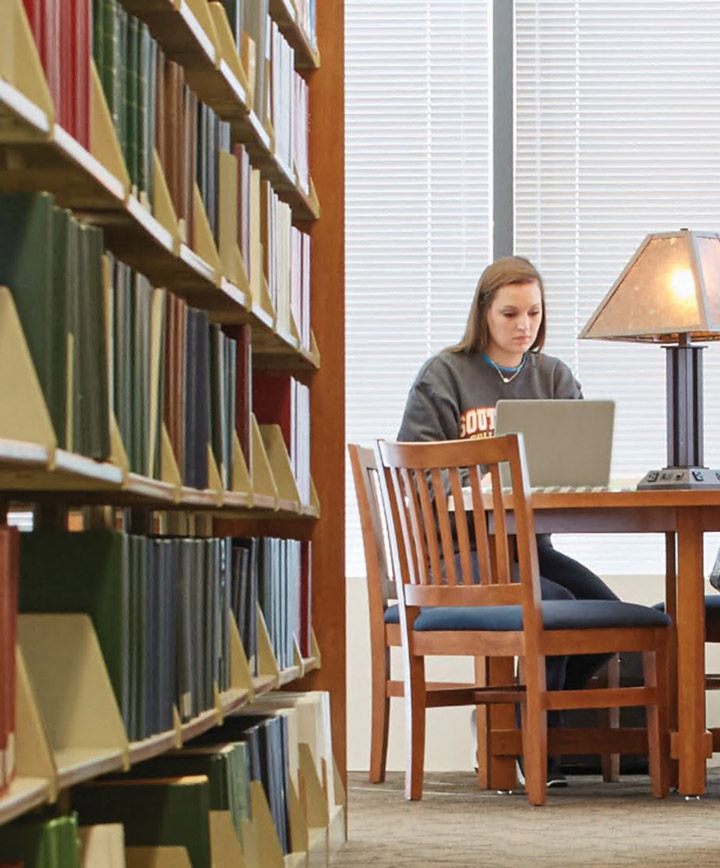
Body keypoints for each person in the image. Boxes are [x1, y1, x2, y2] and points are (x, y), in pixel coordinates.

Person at [397, 255, 620, 787]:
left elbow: (578, 460)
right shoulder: (444, 375)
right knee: (557, 606)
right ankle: (535, 742)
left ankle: (524, 725)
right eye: (510, 314)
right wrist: (482, 482)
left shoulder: (555, 376)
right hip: (457, 551)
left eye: (534, 314)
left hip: (528, 547)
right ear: (484, 314)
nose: (524, 326)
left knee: (609, 617)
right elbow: (419, 476)